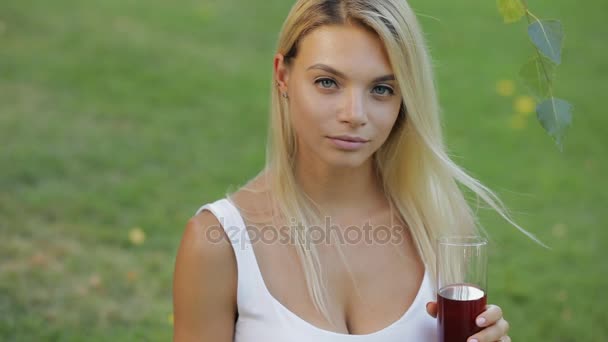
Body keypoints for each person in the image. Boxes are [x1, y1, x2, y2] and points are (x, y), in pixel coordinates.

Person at [173, 0, 518, 341]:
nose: (354, 114)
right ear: (283, 76)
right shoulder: (217, 244)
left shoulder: (438, 226)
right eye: (327, 82)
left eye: (382, 89)